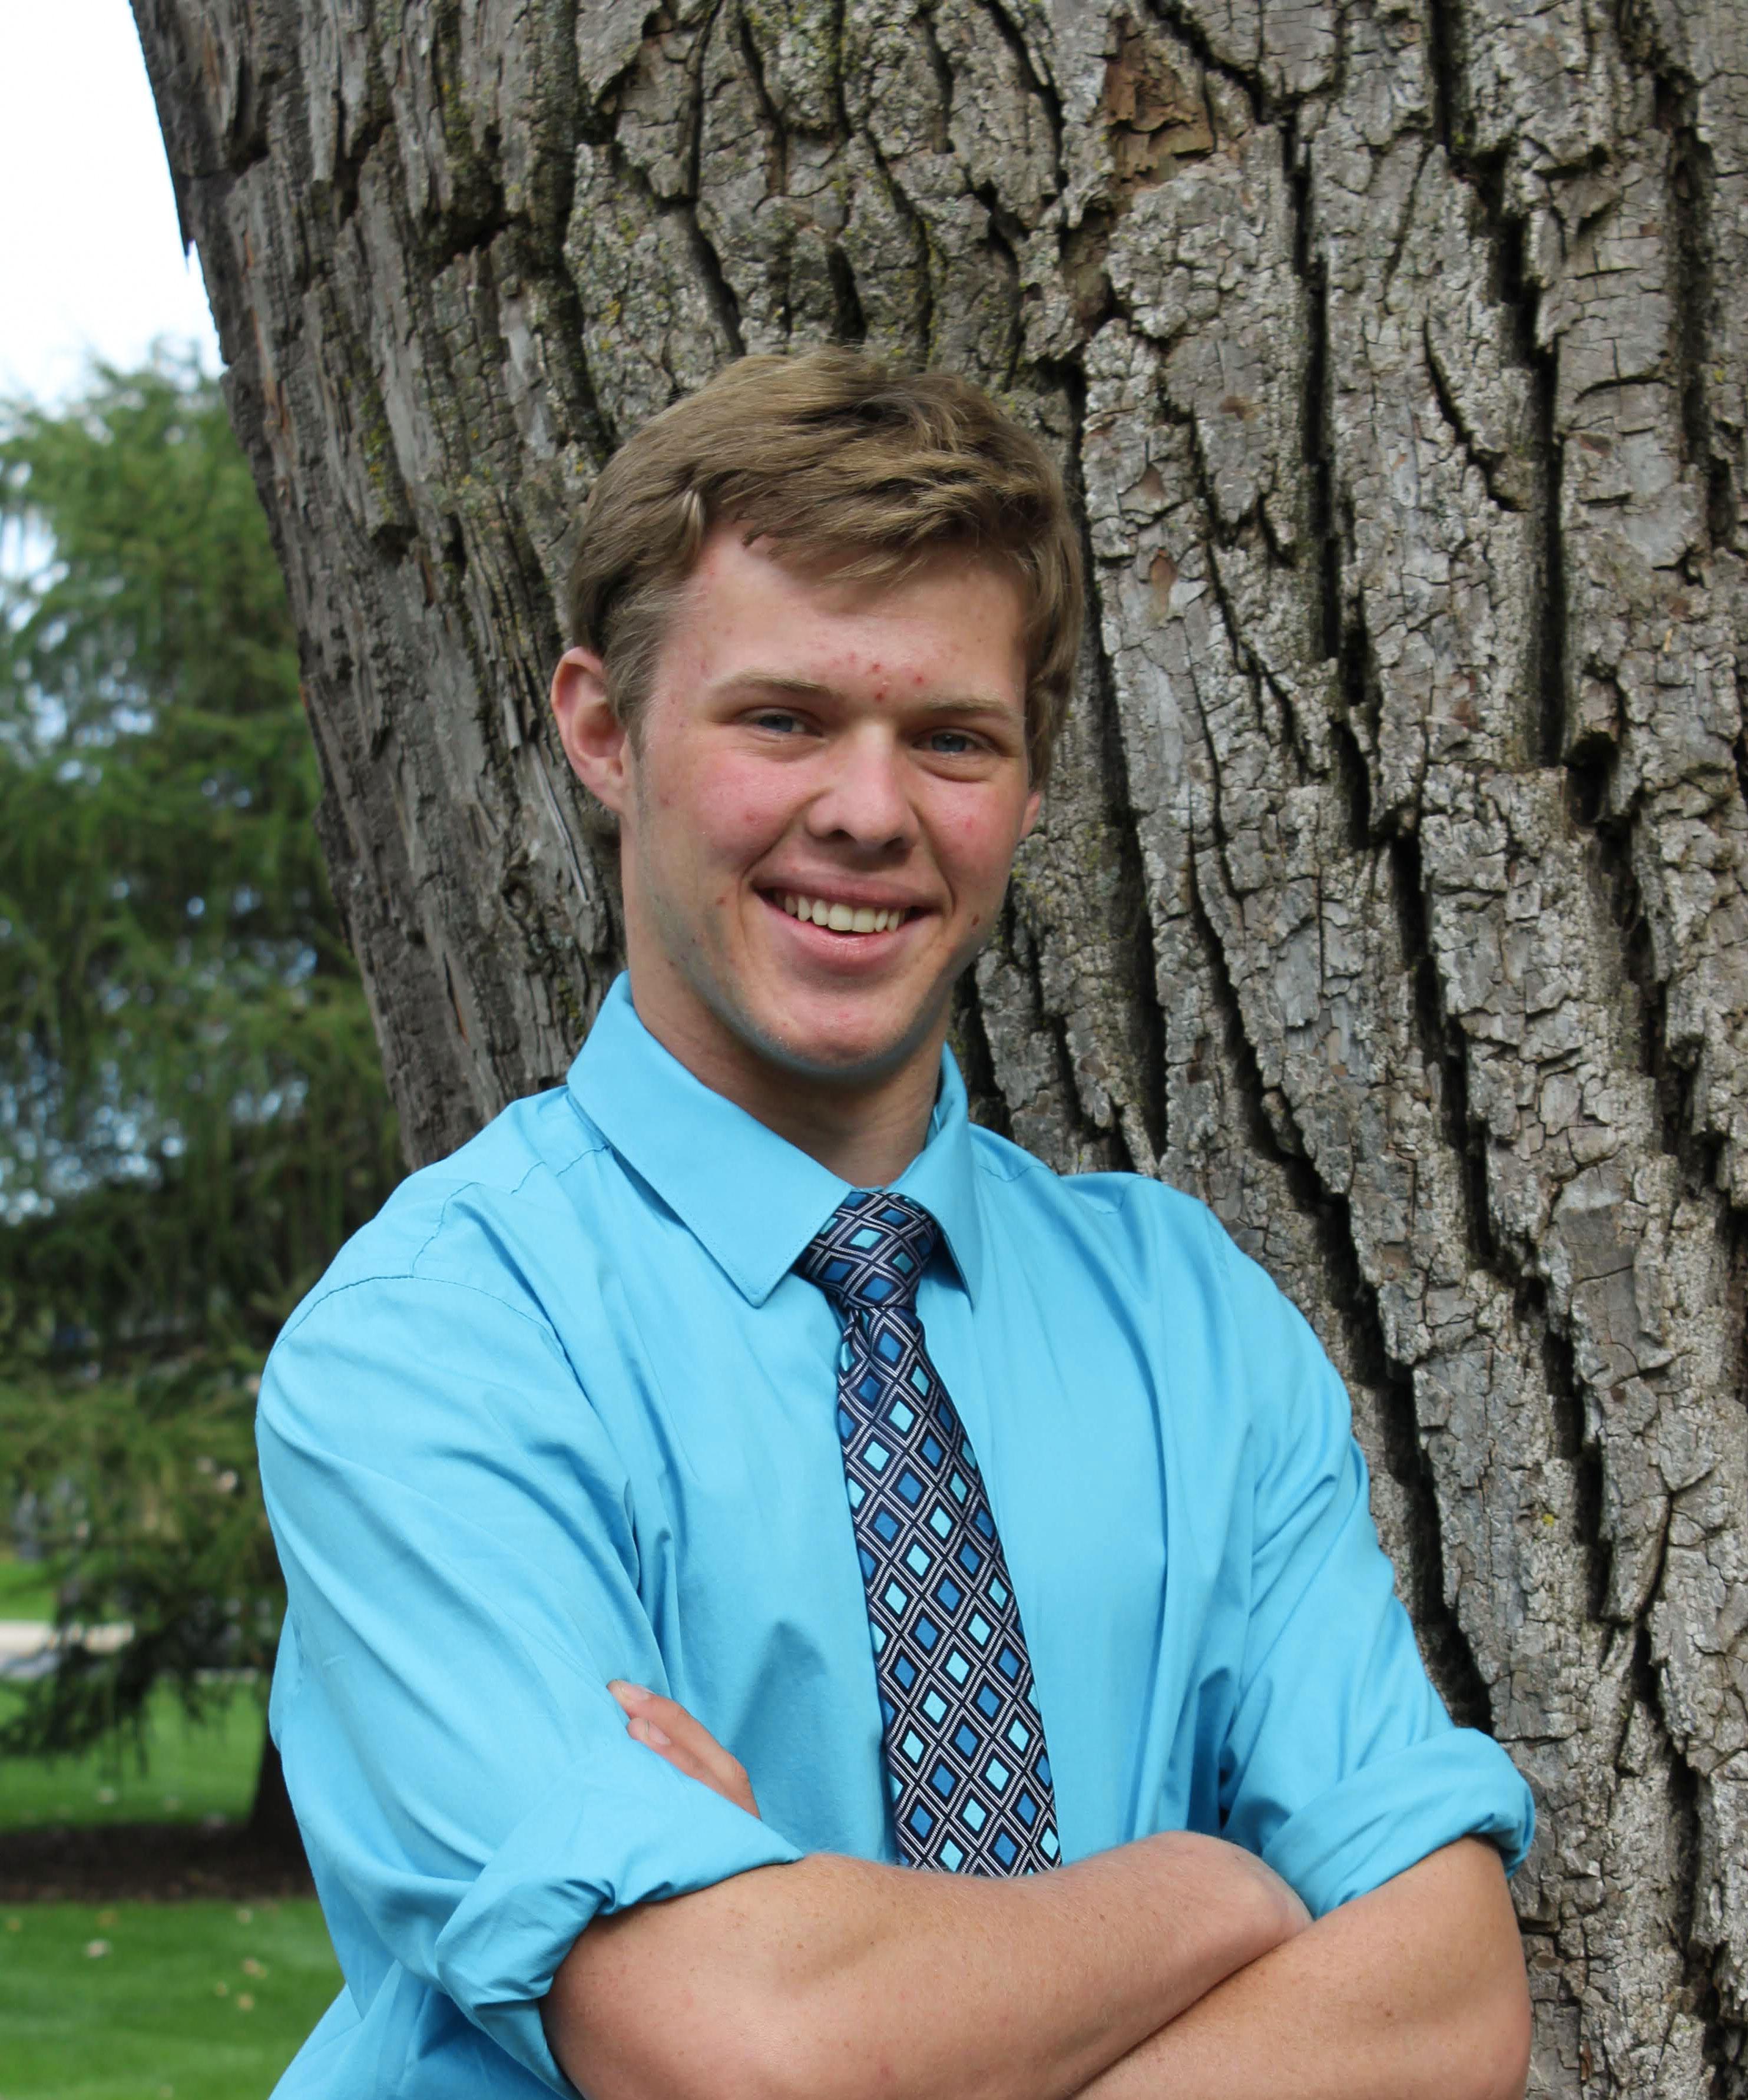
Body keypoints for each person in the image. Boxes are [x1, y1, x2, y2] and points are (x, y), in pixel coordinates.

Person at [257, 349, 1537, 2100]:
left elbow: (1447, 2003)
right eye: (783, 719)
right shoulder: (434, 1347)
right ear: (603, 729)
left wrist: (821, 1956)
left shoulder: (1188, 1323)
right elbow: (742, 2048)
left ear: (1023, 784)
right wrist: (1206, 1891)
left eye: (950, 738)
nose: (868, 811)